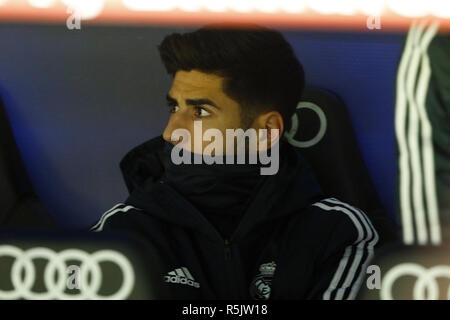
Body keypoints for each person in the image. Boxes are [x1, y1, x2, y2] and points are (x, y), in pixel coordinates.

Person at [90, 23, 378, 300]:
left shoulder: (337, 232)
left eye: (200, 111)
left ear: (265, 132)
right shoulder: (126, 229)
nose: (170, 133)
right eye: (174, 107)